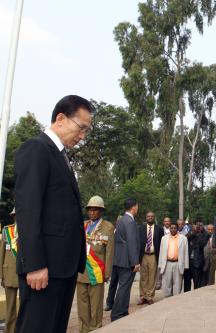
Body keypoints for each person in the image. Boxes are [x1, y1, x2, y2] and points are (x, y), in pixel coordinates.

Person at [13, 95, 93, 333]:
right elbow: (28, 210)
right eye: (81, 128)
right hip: (44, 267)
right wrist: (35, 264)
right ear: (60, 118)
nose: (82, 136)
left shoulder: (60, 156)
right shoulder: (37, 149)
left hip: (63, 267)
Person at [76, 196, 114, 333]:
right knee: (82, 306)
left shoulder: (107, 227)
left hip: (97, 272)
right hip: (81, 272)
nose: (92, 212)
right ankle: (83, 330)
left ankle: (95, 329)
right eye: (90, 210)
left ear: (101, 211)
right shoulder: (83, 225)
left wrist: (107, 273)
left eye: (95, 210)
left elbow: (109, 252)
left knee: (96, 307)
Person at [110, 199, 141, 321]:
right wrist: (135, 262)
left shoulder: (121, 220)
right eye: (137, 206)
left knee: (124, 287)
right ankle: (117, 314)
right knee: (124, 287)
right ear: (134, 207)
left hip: (119, 259)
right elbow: (132, 242)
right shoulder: (130, 221)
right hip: (127, 261)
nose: (137, 209)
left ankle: (123, 311)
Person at [138, 211, 163, 305]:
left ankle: (150, 297)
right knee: (143, 277)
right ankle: (143, 296)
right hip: (143, 255)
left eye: (152, 216)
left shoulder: (159, 229)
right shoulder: (141, 228)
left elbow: (161, 243)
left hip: (153, 255)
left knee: (152, 277)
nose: (150, 218)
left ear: (154, 218)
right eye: (148, 216)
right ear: (146, 218)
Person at [0, 208, 19, 333]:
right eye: (16, 215)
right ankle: (9, 331)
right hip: (9, 273)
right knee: (10, 307)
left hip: (25, 274)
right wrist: (1, 275)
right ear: (13, 216)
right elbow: (1, 254)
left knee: (25, 307)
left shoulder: (29, 230)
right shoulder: (7, 231)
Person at [158, 223, 188, 297]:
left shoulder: (183, 238)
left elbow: (186, 253)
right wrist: (160, 264)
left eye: (175, 228)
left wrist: (186, 265)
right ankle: (167, 298)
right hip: (167, 263)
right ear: (169, 229)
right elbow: (161, 252)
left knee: (177, 283)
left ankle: (176, 299)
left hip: (178, 263)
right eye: (171, 228)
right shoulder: (164, 238)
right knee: (167, 282)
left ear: (177, 229)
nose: (173, 229)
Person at [104, 216, 121, 311]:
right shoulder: (111, 232)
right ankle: (109, 303)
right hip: (113, 263)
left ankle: (118, 304)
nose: (119, 223)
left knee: (121, 285)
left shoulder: (124, 233)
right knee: (113, 284)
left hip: (122, 262)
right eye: (118, 221)